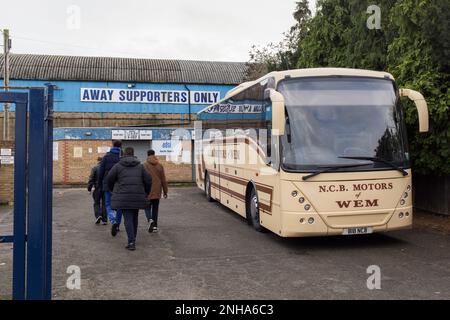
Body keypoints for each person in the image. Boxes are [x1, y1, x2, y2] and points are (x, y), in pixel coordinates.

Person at [106, 147, 152, 251]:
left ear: (124, 154)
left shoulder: (118, 166)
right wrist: (146, 192)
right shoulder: (140, 166)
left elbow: (109, 178)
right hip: (137, 196)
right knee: (134, 217)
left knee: (127, 219)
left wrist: (112, 189)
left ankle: (131, 242)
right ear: (133, 154)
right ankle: (133, 238)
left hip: (123, 196)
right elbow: (148, 179)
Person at [98, 140, 123, 237]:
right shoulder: (122, 157)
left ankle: (113, 221)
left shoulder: (106, 157)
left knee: (108, 204)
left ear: (112, 145)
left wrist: (99, 184)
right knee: (120, 205)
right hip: (119, 184)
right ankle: (117, 224)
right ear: (121, 146)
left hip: (107, 184)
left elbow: (101, 171)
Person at [143, 149, 168, 233]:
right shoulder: (160, 165)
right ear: (154, 154)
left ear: (147, 155)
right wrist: (165, 191)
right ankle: (155, 226)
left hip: (147, 190)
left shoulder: (144, 165)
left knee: (146, 207)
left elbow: (142, 178)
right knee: (155, 209)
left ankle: (150, 220)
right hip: (157, 190)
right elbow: (163, 179)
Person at [87, 157, 107, 225]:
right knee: (104, 204)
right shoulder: (106, 169)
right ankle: (104, 220)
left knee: (96, 203)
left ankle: (98, 216)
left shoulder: (95, 168)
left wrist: (89, 189)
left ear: (98, 161)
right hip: (105, 188)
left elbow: (91, 179)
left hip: (97, 188)